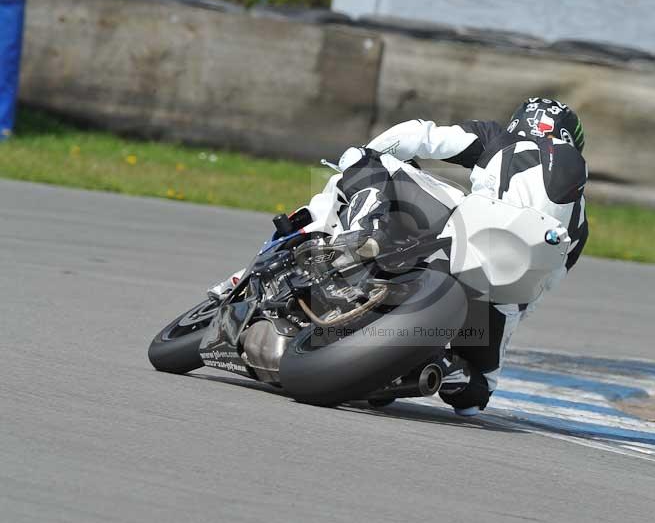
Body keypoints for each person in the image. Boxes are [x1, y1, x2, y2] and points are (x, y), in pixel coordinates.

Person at [211, 97, 589, 417]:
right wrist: (508, 312)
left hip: (456, 239)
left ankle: (361, 231)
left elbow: (417, 135)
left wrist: (373, 152)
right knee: (475, 397)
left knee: (362, 159)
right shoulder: (579, 218)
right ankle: (442, 367)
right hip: (502, 294)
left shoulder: (498, 138)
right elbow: (545, 282)